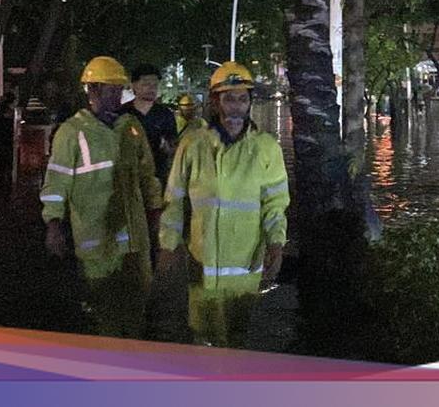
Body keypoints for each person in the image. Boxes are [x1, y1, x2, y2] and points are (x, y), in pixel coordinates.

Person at [158, 61, 289, 348]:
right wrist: (168, 246)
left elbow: (274, 205)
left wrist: (276, 244)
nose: (236, 107)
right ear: (215, 102)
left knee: (238, 342)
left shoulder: (266, 148)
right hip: (201, 266)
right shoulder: (192, 145)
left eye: (243, 99)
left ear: (250, 103)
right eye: (229, 98)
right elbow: (174, 200)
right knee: (203, 342)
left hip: (245, 270)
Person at [39, 56, 164, 339]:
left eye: (119, 89)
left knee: (137, 313)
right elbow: (56, 184)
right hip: (98, 245)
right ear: (92, 90)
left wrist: (156, 214)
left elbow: (147, 177)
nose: (117, 96)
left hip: (135, 241)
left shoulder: (131, 128)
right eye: (110, 89)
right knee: (105, 315)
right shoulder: (71, 133)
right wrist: (54, 226)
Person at [122, 64, 178, 193]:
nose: (152, 88)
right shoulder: (123, 114)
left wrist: (167, 147)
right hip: (129, 179)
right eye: (146, 84)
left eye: (155, 85)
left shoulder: (165, 115)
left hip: (158, 179)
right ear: (134, 85)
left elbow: (173, 146)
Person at [0, 92, 16, 196]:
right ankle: (6, 183)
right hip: (7, 142)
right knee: (8, 163)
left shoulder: (0, 113)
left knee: (2, 164)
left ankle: (1, 182)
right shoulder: (10, 113)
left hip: (1, 142)